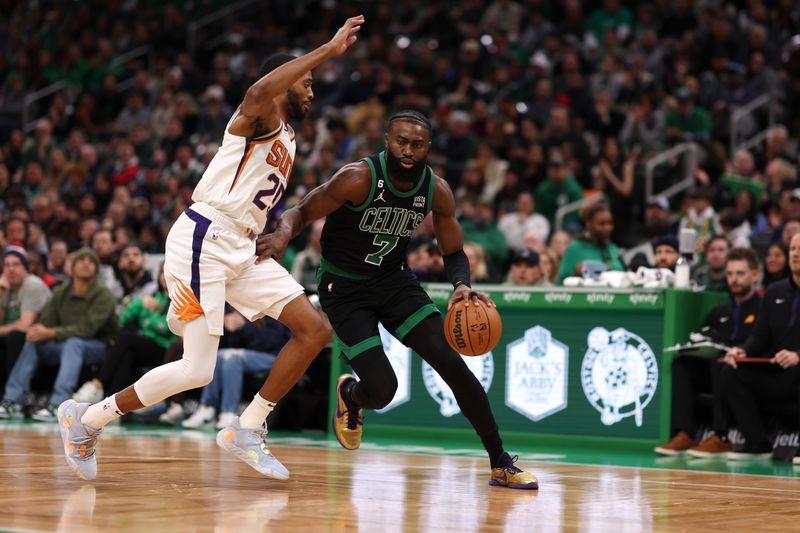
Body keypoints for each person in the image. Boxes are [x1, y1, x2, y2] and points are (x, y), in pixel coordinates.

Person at [56, 16, 365, 481]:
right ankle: (86, 420)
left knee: (315, 331)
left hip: (242, 246)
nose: (312, 91)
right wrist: (326, 49)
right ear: (284, 80)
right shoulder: (260, 114)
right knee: (197, 369)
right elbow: (261, 90)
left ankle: (248, 427)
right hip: (206, 236)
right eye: (306, 82)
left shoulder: (290, 137)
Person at [256, 110, 538, 490]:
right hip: (345, 288)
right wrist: (281, 235)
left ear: (428, 148)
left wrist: (460, 284)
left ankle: (500, 462)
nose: (408, 150)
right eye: (401, 142)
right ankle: (351, 395)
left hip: (394, 281)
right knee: (383, 390)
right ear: (387, 141)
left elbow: (453, 250)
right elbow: (302, 210)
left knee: (452, 364)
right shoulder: (357, 178)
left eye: (417, 144)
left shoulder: (436, 189)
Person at [654, 248, 761, 457]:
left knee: (718, 363)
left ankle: (720, 436)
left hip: (747, 370)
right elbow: (705, 335)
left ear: (755, 275)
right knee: (682, 364)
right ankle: (684, 433)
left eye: (740, 273)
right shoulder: (721, 310)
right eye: (730, 274)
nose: (734, 280)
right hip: (717, 369)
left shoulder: (762, 308)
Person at [0, 248, 116, 420]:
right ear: (72, 267)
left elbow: (87, 329)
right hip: (65, 344)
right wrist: (37, 331)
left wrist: (51, 332)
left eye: (91, 261)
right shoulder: (62, 292)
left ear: (96, 269)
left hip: (98, 346)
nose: (86, 263)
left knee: (74, 342)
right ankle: (13, 400)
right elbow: (47, 321)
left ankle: (59, 404)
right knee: (34, 341)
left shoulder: (103, 294)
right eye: (81, 260)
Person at [719, 233, 800, 460]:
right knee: (732, 371)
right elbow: (759, 337)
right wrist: (743, 351)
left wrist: (798, 356)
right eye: (793, 249)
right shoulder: (774, 291)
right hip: (778, 374)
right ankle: (757, 442)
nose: (796, 254)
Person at [72, 263, 175, 404]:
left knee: (126, 339)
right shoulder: (151, 298)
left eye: (170, 272)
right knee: (126, 353)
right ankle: (113, 404)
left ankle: (96, 384)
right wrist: (138, 304)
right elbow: (123, 320)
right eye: (162, 272)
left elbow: (165, 328)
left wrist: (152, 316)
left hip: (165, 349)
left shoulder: (179, 300)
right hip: (142, 346)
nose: (165, 277)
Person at [0, 245, 52, 389]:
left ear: (26, 268)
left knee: (15, 337)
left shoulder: (33, 285)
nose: (11, 269)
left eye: (16, 264)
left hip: (41, 338)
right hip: (13, 336)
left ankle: (15, 393)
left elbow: (24, 325)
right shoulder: (4, 286)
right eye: (7, 265)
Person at [557, 202, 624, 283]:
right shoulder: (575, 249)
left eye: (610, 223)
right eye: (601, 224)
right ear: (588, 224)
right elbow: (561, 282)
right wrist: (576, 274)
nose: (607, 228)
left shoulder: (613, 248)